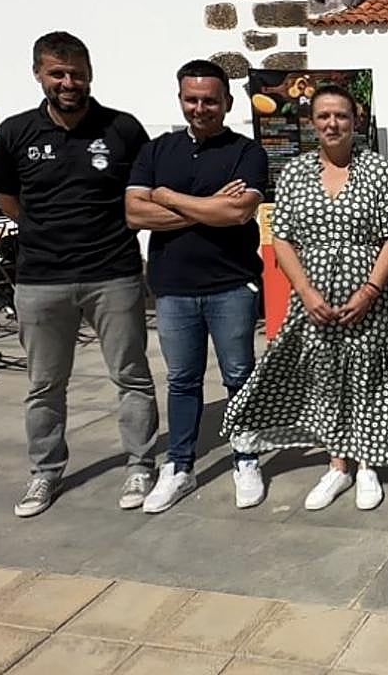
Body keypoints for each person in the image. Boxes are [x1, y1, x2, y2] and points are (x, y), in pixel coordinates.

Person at [0, 31, 158, 518]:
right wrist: (44, 232)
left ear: (90, 74)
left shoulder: (122, 128)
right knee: (44, 383)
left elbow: (141, 192)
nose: (67, 82)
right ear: (38, 74)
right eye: (56, 73)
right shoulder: (16, 132)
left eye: (76, 73)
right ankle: (44, 473)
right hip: (41, 280)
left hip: (114, 274)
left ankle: (141, 464)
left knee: (131, 376)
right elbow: (8, 198)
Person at [221, 85, 388, 512]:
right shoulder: (294, 172)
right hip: (314, 302)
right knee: (325, 380)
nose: (333, 124)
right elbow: (283, 237)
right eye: (324, 116)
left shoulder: (377, 170)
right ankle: (337, 465)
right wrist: (306, 292)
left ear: (355, 120)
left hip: (369, 301)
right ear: (312, 122)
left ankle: (367, 465)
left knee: (370, 377)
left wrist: (370, 290)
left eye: (341, 116)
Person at [125, 59, 268, 513]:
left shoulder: (247, 152)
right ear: (181, 99)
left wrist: (165, 197)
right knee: (183, 380)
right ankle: (180, 466)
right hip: (173, 287)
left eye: (210, 100)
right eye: (192, 99)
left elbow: (237, 213)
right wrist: (206, 206)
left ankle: (246, 457)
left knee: (239, 377)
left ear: (227, 101)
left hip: (231, 284)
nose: (201, 107)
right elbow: (134, 215)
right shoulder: (156, 150)